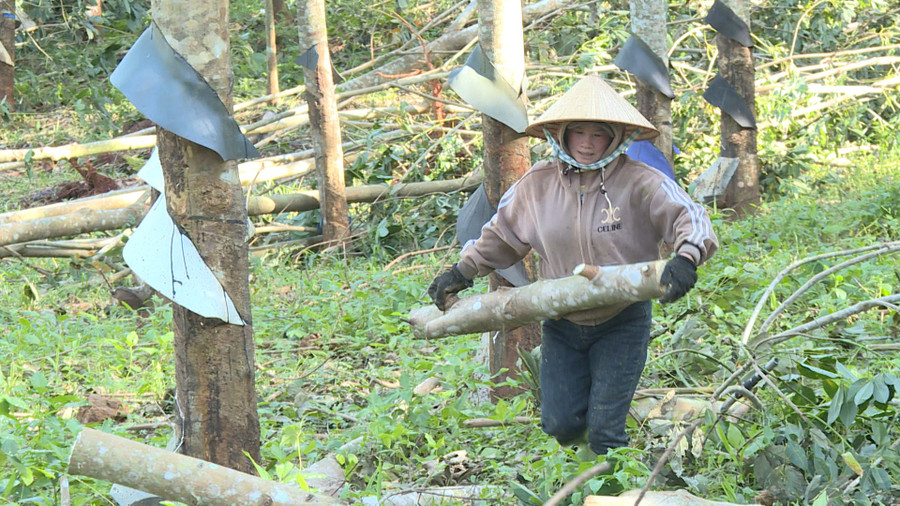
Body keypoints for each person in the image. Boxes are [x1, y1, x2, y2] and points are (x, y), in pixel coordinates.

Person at [428, 75, 718, 456]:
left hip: (623, 319)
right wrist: (460, 273)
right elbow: (500, 235)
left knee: (605, 429)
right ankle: (583, 470)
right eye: (577, 132)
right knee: (560, 423)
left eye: (598, 134)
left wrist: (686, 259)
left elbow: (691, 217)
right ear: (561, 135)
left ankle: (611, 484)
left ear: (615, 137)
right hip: (562, 320)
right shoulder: (537, 185)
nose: (586, 143)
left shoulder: (641, 181)